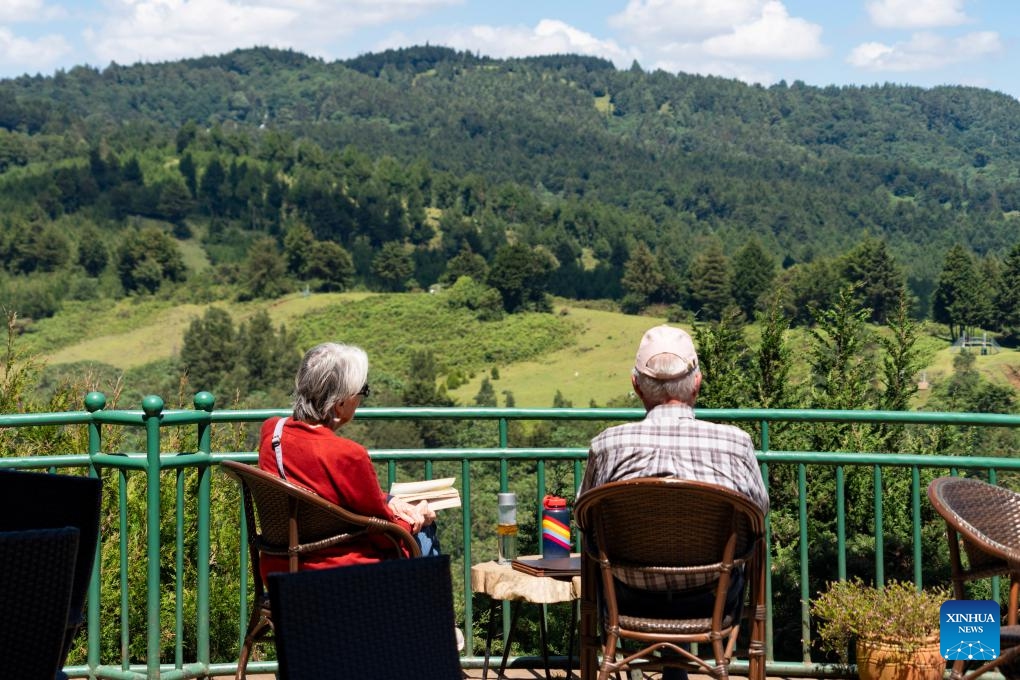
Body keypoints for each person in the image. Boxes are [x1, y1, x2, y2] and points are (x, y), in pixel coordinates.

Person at [579, 324, 769, 680]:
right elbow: (759, 518)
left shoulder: (606, 445)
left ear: (636, 385)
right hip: (711, 600)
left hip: (627, 599)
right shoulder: (735, 444)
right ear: (696, 382)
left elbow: (584, 519)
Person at [257, 341, 438, 580]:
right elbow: (386, 537)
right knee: (424, 533)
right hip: (339, 574)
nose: (362, 398)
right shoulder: (347, 454)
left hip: (281, 567)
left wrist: (389, 501)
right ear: (340, 403)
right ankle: (426, 616)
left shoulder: (273, 432)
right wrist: (417, 519)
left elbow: (319, 494)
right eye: (362, 391)